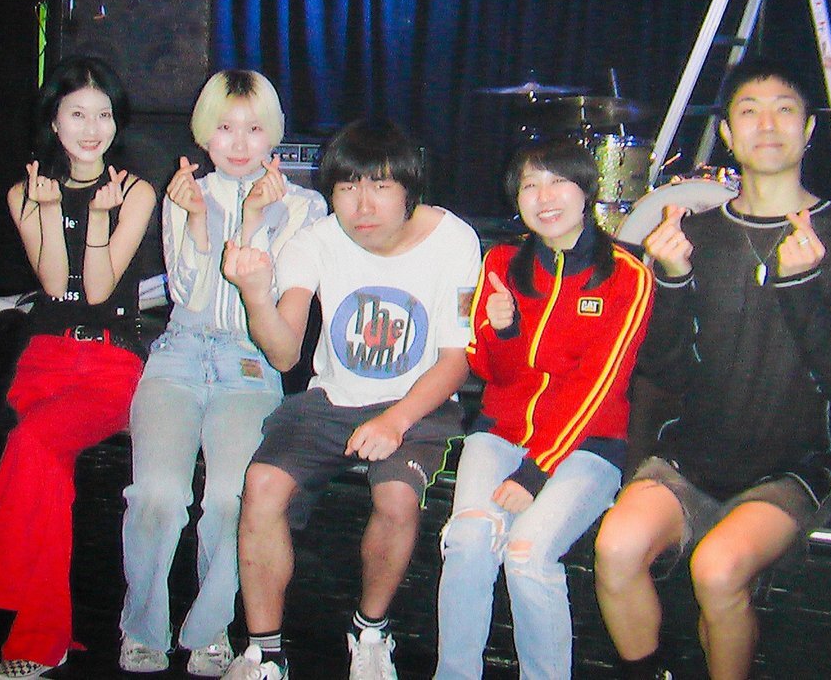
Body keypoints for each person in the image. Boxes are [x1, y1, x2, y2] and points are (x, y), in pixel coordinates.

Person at [593, 57, 831, 680]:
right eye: (749, 112)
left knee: (718, 568)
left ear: (809, 129)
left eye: (785, 109)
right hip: (692, 458)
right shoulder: (697, 233)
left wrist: (802, 287)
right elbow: (665, 371)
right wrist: (672, 282)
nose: (768, 125)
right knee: (615, 547)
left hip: (793, 469)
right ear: (727, 133)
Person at [219, 119, 481, 680]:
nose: (363, 205)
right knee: (261, 485)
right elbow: (284, 354)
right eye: (347, 188)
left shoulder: (453, 239)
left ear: (409, 189)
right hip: (331, 402)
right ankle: (264, 652)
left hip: (418, 401)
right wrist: (256, 298)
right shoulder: (314, 240)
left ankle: (370, 631)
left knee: (397, 498)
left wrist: (396, 420)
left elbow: (456, 359)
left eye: (380, 186)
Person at [0, 56, 157, 679]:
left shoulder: (136, 191)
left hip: (109, 362)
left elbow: (98, 288)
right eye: (77, 114)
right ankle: (39, 635)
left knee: (31, 444)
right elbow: (57, 286)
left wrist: (100, 215)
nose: (92, 129)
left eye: (104, 114)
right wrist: (50, 212)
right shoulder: (23, 193)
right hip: (45, 359)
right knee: (44, 467)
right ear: (53, 122)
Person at [118, 70, 326, 675]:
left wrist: (254, 220)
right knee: (156, 495)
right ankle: (143, 629)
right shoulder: (185, 193)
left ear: (274, 135)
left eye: (254, 129)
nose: (238, 143)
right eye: (225, 127)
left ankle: (210, 629)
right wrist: (196, 222)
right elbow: (186, 294)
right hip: (179, 352)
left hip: (248, 361)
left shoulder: (304, 206)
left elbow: (269, 296)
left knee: (234, 499)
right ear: (204, 132)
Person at [434, 140, 654, 680]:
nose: (545, 197)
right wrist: (504, 329)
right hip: (501, 431)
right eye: (530, 185)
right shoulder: (501, 263)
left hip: (589, 443)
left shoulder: (627, 275)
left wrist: (536, 471)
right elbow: (491, 372)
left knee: (527, 555)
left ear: (587, 191)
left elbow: (597, 385)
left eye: (559, 182)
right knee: (468, 539)